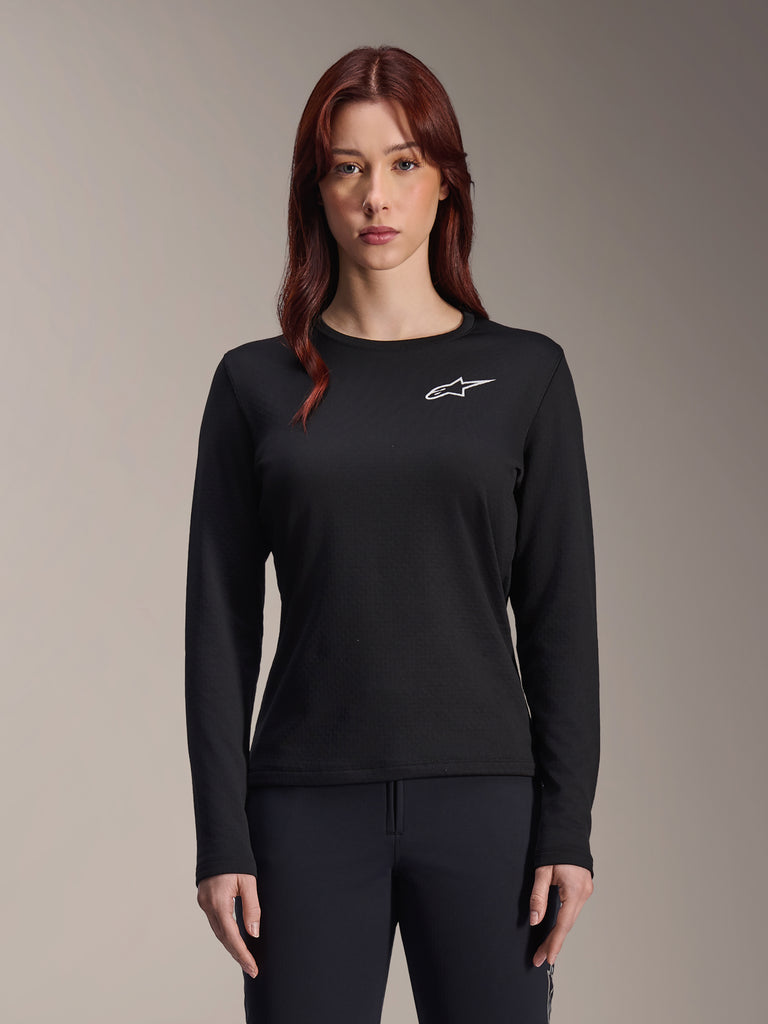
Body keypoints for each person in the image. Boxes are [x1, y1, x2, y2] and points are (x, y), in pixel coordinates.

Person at [184, 43, 600, 1024]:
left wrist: (565, 827)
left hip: (488, 810)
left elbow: (559, 619)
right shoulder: (253, 384)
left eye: (404, 162)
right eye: (348, 166)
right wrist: (221, 837)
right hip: (303, 810)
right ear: (317, 188)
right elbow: (218, 627)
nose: (377, 195)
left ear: (445, 181)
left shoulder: (526, 375)